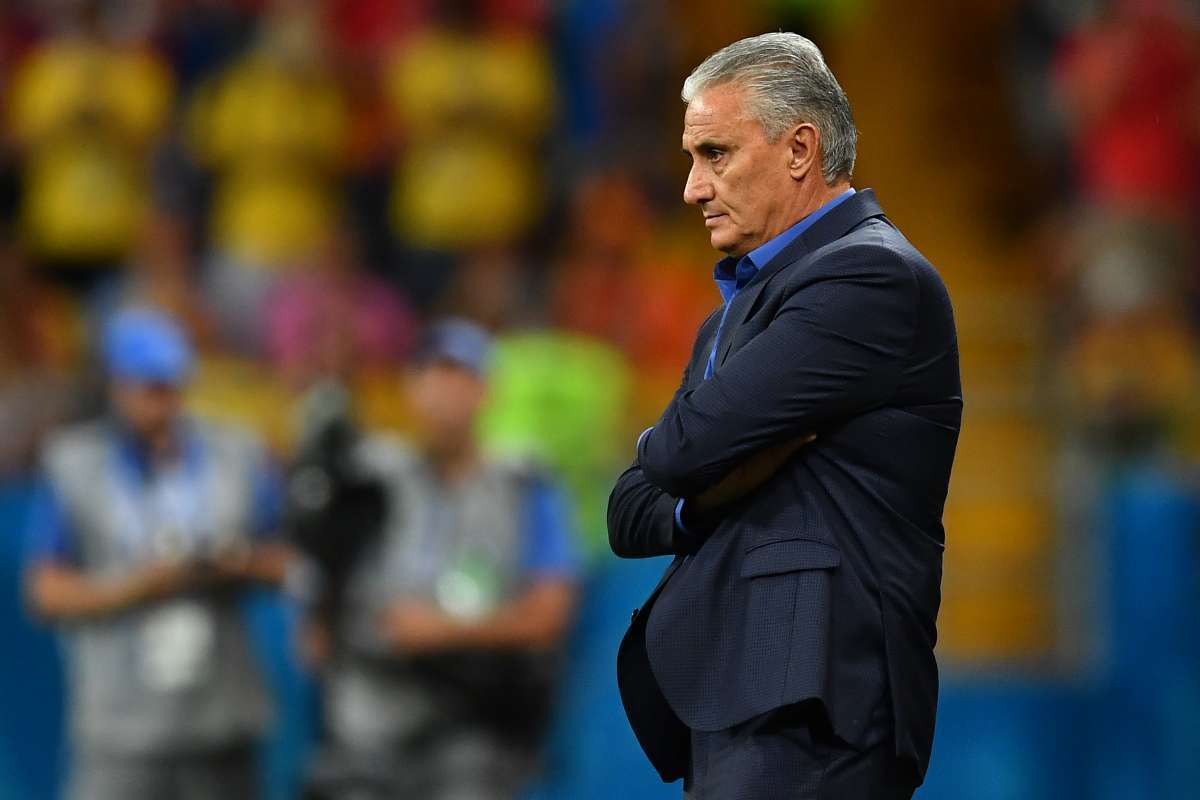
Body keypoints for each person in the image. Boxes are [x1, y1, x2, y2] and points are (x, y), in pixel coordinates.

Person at [608, 33, 962, 799]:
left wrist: (680, 458)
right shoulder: (726, 320)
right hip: (736, 698)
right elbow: (627, 509)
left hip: (816, 701)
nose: (692, 189)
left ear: (800, 149)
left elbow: (672, 453)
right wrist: (708, 490)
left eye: (715, 154)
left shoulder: (871, 278)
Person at [303, 318, 579, 800]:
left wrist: (441, 631)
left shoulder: (524, 485)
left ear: (487, 391)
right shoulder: (368, 479)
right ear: (410, 387)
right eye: (433, 373)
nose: (446, 390)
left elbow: (549, 616)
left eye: (462, 375)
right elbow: (314, 609)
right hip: (369, 719)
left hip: (472, 722)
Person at [23, 306, 289, 800]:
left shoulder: (236, 452)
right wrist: (137, 585)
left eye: (171, 386)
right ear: (117, 386)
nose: (163, 403)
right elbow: (45, 593)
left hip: (221, 715)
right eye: (149, 388)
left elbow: (289, 563)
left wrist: (235, 563)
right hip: (121, 723)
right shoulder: (73, 464)